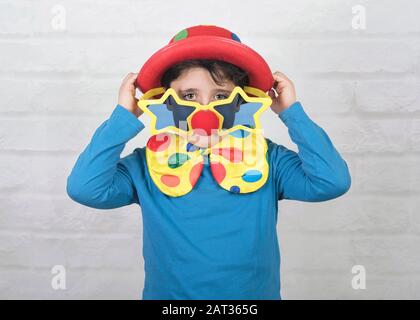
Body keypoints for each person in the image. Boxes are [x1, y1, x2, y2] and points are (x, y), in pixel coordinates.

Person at [66, 25, 351, 300]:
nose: (204, 110)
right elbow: (85, 188)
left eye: (221, 96)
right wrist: (123, 117)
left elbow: (331, 181)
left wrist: (291, 112)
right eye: (189, 95)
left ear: (242, 102)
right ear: (166, 101)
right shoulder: (146, 164)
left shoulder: (268, 158)